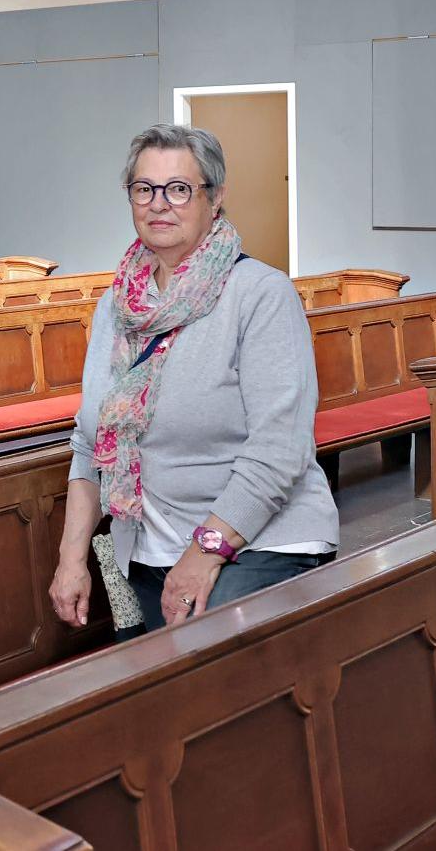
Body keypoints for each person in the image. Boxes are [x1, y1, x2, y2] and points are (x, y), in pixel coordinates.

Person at [48, 124, 337, 637]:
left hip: (253, 543)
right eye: (144, 189)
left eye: (178, 188)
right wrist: (72, 559)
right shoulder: (116, 309)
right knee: (134, 687)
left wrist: (206, 552)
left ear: (216, 196)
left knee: (204, 669)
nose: (159, 204)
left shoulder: (260, 295)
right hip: (139, 549)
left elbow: (279, 450)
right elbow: (91, 442)